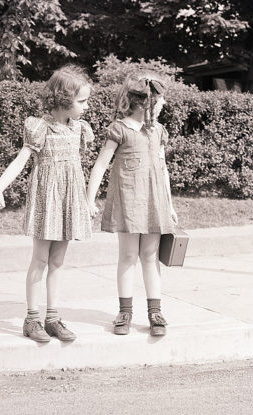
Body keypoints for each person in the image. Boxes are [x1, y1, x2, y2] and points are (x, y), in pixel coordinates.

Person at [0, 65, 94, 343]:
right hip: (47, 201)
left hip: (68, 202)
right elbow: (21, 160)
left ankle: (52, 318)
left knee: (58, 261)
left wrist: (88, 202)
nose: (86, 107)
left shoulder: (79, 130)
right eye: (82, 101)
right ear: (63, 99)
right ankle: (32, 318)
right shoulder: (39, 127)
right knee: (40, 259)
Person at [86, 71, 177, 337]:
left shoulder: (159, 131)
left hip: (153, 202)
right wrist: (89, 198)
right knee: (127, 256)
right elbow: (101, 164)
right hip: (128, 201)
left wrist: (169, 205)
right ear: (144, 103)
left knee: (150, 257)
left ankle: (155, 311)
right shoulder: (120, 129)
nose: (163, 106)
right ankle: (124, 311)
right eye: (160, 102)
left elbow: (163, 168)